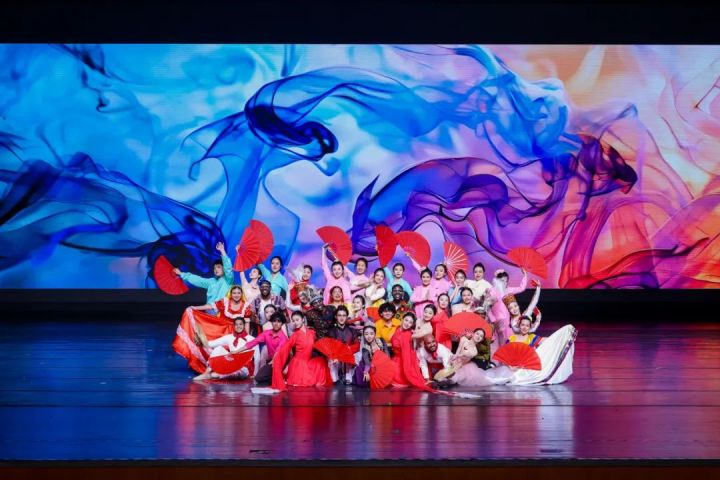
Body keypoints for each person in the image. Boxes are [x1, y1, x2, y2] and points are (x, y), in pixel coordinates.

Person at [271, 311, 333, 391]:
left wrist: (329, 354)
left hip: (308, 361)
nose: (295, 323)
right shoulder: (295, 335)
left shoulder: (312, 333)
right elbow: (286, 348)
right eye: (293, 321)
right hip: (298, 364)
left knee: (321, 362)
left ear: (303, 319)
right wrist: (278, 357)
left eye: (297, 320)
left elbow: (318, 346)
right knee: (306, 381)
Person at [192, 318, 258, 381]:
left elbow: (257, 357)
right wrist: (200, 341)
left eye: (240, 324)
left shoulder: (251, 339)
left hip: (244, 367)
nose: (238, 326)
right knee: (218, 348)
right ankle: (207, 372)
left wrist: (255, 374)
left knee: (231, 373)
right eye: (236, 324)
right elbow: (212, 344)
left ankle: (211, 376)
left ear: (244, 325)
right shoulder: (229, 337)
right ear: (234, 326)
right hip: (231, 363)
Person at [174, 242, 234, 306]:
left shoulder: (228, 280)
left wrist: (222, 251)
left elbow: (228, 268)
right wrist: (181, 273)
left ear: (224, 268)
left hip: (223, 310)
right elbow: (197, 280)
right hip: (210, 310)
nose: (216, 269)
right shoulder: (211, 281)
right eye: (214, 268)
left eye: (219, 267)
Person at [239, 311, 289, 385]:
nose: (276, 323)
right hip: (272, 361)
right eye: (274, 321)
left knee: (262, 377)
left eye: (279, 321)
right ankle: (275, 377)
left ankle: (279, 377)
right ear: (271, 322)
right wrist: (237, 351)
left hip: (281, 361)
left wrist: (271, 363)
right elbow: (253, 342)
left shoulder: (283, 338)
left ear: (282, 324)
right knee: (258, 378)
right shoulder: (267, 333)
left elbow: (278, 352)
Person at [485, 269, 528, 348]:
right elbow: (487, 306)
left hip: (506, 318)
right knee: (496, 338)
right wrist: (492, 318)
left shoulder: (508, 290)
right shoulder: (492, 290)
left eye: (506, 281)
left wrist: (525, 275)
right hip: (495, 318)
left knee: (506, 338)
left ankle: (505, 351)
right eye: (502, 281)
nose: (504, 283)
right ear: (497, 281)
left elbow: (521, 288)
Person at [390, 312, 433, 390]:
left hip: (402, 361)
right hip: (395, 359)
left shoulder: (407, 335)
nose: (407, 324)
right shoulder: (397, 328)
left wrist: (408, 371)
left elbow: (406, 356)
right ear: (402, 319)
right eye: (406, 320)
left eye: (410, 322)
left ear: (412, 325)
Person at [326, 305, 359, 384]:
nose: (342, 318)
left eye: (344, 315)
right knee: (331, 358)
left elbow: (357, 344)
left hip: (349, 354)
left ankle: (348, 376)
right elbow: (330, 346)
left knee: (358, 355)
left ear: (347, 317)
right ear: (336, 317)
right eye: (339, 315)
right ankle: (335, 379)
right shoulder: (331, 331)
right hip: (336, 355)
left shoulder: (352, 330)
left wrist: (348, 349)